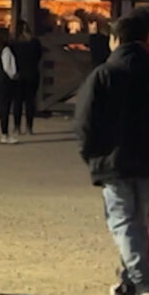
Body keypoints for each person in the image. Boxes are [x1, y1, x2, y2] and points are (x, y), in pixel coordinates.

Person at [75, 16, 149, 295]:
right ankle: (130, 281)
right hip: (145, 161)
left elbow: (85, 121)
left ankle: (142, 281)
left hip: (113, 161)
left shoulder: (104, 74)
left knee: (124, 223)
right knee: (140, 225)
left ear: (116, 40)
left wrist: (92, 156)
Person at [13, 20, 43, 136]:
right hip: (32, 73)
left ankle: (17, 127)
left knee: (18, 102)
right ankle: (29, 127)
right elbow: (39, 56)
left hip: (18, 75)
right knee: (30, 101)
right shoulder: (35, 43)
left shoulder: (14, 44)